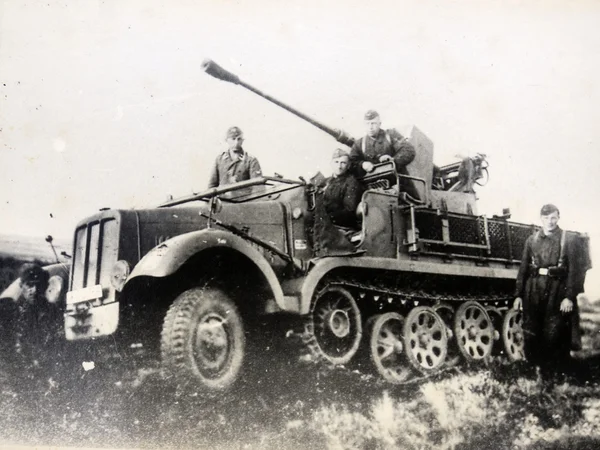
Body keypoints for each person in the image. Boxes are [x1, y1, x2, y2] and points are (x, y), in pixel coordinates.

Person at [513, 204, 587, 375]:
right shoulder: (532, 240)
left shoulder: (568, 240)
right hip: (534, 288)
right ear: (541, 219)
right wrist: (518, 295)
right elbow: (523, 268)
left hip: (558, 289)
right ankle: (537, 373)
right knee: (532, 331)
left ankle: (557, 374)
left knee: (555, 332)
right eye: (546, 218)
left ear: (558, 217)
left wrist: (569, 297)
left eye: (553, 218)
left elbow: (574, 271)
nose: (550, 222)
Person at [349, 110, 416, 178]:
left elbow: (408, 150)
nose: (370, 127)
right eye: (367, 123)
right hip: (372, 182)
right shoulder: (359, 144)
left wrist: (393, 160)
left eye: (373, 123)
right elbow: (352, 161)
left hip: (397, 179)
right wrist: (362, 164)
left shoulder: (390, 135)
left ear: (379, 124)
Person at [322, 148, 365, 229]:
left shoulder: (351, 182)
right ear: (331, 163)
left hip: (341, 226)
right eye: (336, 162)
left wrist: (327, 218)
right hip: (324, 223)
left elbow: (349, 212)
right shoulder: (326, 182)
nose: (339, 166)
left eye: (343, 163)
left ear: (348, 165)